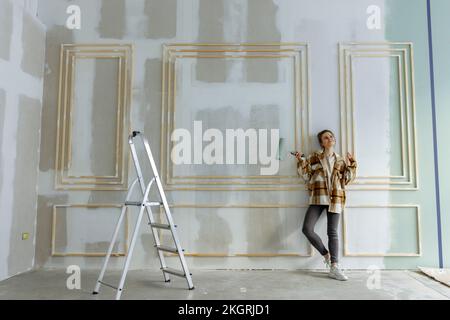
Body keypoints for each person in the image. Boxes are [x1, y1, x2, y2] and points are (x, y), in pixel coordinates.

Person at [294, 129, 357, 281]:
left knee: (332, 232)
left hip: (335, 198)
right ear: (321, 142)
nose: (330, 139)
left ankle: (334, 267)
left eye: (331, 136)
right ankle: (327, 256)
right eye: (326, 137)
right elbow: (305, 175)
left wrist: (352, 164)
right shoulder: (315, 157)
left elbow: (347, 180)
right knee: (307, 229)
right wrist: (301, 160)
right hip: (318, 197)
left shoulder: (341, 160)